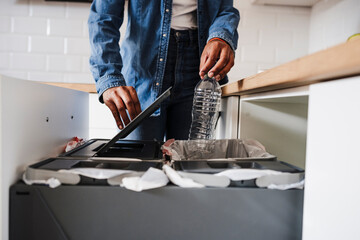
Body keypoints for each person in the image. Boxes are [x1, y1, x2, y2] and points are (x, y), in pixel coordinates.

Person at [88, 0, 240, 141]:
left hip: (199, 69)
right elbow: (103, 17)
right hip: (143, 70)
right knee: (138, 163)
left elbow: (225, 10)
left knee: (189, 164)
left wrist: (221, 37)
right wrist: (108, 77)